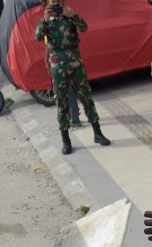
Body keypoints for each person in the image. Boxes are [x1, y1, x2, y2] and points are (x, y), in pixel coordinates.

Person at [34, 0, 111, 156]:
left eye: (57, 0)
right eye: (51, 1)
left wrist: (74, 15)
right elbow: (38, 37)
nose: (55, 3)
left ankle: (98, 133)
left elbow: (84, 27)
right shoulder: (46, 20)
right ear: (47, 3)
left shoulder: (69, 15)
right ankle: (66, 141)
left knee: (87, 98)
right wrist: (44, 20)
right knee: (62, 104)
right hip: (59, 69)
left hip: (76, 65)